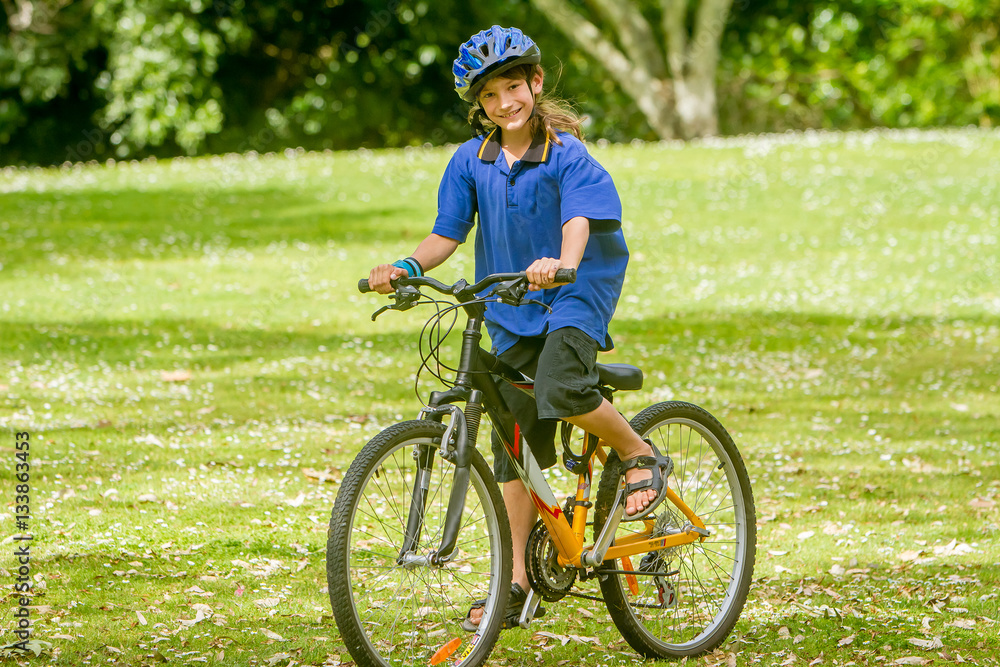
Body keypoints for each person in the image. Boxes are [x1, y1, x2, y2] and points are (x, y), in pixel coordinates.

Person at [367, 25, 671, 630]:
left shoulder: (566, 153)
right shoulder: (469, 161)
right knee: (511, 438)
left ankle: (641, 454)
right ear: (478, 106)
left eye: (514, 87)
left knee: (560, 386)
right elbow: (447, 234)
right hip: (507, 299)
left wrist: (563, 264)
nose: (505, 103)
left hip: (572, 290)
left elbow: (580, 219)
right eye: (490, 97)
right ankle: (516, 580)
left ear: (535, 83)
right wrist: (406, 266)